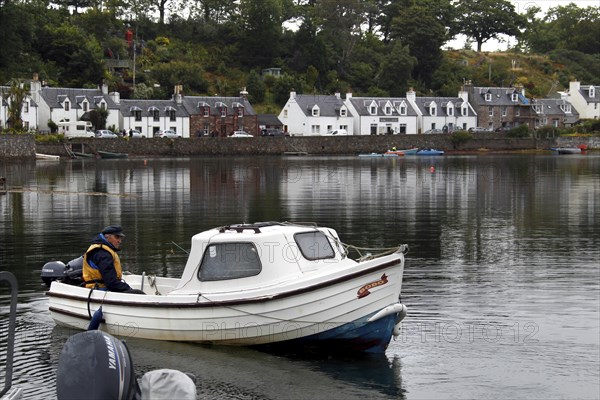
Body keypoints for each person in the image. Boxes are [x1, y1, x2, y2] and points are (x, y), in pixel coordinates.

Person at [82, 225, 145, 294]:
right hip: (99, 290)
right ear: (107, 237)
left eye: (120, 238)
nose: (119, 241)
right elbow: (111, 283)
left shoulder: (103, 249)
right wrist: (128, 288)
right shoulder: (102, 253)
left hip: (104, 288)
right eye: (117, 237)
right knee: (139, 293)